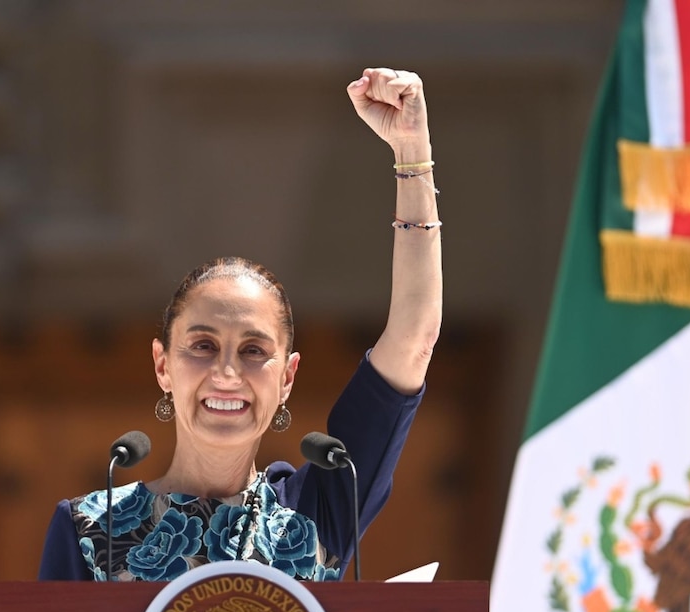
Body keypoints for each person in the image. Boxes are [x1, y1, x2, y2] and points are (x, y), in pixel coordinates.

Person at [38, 67, 442, 583]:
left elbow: (415, 339)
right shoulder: (88, 529)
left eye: (254, 350)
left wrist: (413, 156)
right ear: (162, 364)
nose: (227, 373)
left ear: (288, 376)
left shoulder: (318, 510)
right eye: (203, 345)